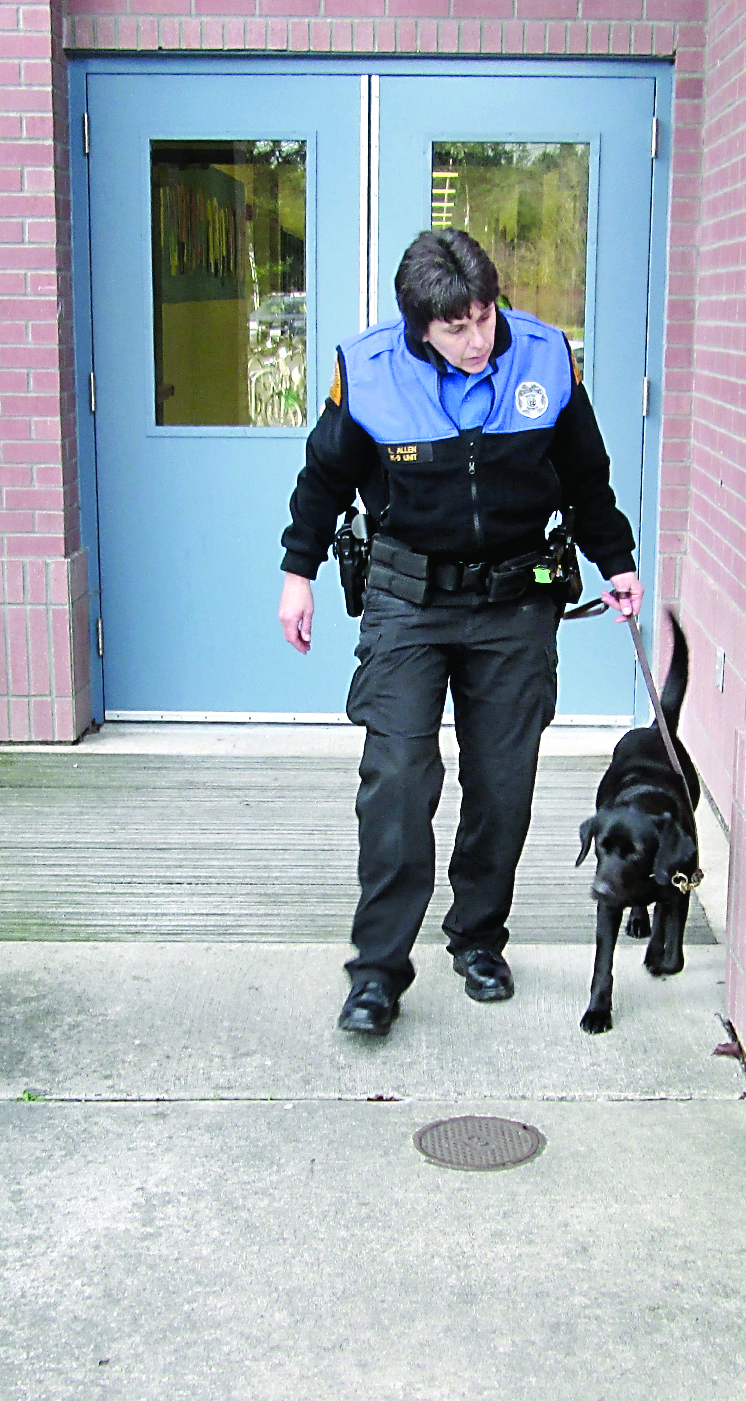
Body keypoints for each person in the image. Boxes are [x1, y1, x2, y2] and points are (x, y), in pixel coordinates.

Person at [277, 229, 644, 1036]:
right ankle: (376, 972)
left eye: (484, 318)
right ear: (420, 325)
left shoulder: (546, 359)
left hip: (515, 604)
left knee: (501, 785)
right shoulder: (368, 370)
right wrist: (295, 573)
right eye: (455, 328)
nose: (477, 340)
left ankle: (478, 939)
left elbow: (586, 474)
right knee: (399, 782)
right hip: (407, 600)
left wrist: (615, 559)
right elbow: (323, 478)